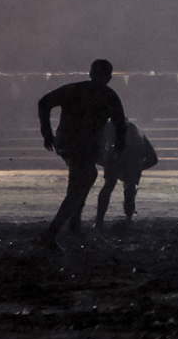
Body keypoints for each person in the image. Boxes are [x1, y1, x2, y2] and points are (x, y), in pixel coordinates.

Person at [38, 59, 127, 249]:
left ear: (90, 73)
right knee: (80, 184)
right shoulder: (108, 95)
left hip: (69, 143)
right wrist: (120, 145)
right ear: (109, 78)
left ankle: (74, 223)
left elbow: (44, 102)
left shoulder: (74, 89)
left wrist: (47, 132)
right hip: (82, 146)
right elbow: (120, 123)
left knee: (85, 178)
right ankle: (53, 232)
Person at [96, 118, 159, 227]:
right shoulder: (136, 130)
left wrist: (106, 162)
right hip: (133, 157)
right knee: (130, 187)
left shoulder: (109, 127)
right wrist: (138, 168)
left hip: (116, 155)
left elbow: (98, 148)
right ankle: (129, 217)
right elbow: (153, 158)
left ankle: (99, 220)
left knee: (109, 185)